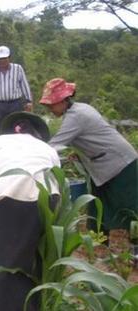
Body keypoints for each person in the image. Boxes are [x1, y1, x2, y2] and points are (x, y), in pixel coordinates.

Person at [0, 112, 60, 311]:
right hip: (46, 201)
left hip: (4, 198)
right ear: (36, 133)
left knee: (0, 264)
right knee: (35, 262)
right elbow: (59, 180)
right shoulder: (47, 148)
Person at [39, 78, 138, 235]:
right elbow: (92, 136)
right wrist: (79, 152)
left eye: (51, 104)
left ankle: (135, 251)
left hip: (120, 164)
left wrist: (32, 151)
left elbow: (54, 145)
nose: (50, 109)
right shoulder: (80, 108)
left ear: (64, 100)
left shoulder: (76, 117)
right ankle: (102, 246)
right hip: (104, 167)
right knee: (99, 210)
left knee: (130, 210)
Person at [0, 45, 33, 129]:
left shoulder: (18, 68)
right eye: (0, 59)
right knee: (2, 127)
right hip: (0, 105)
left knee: (18, 127)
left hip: (16, 103)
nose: (2, 61)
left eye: (4, 58)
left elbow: (24, 85)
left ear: (9, 58)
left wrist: (28, 101)